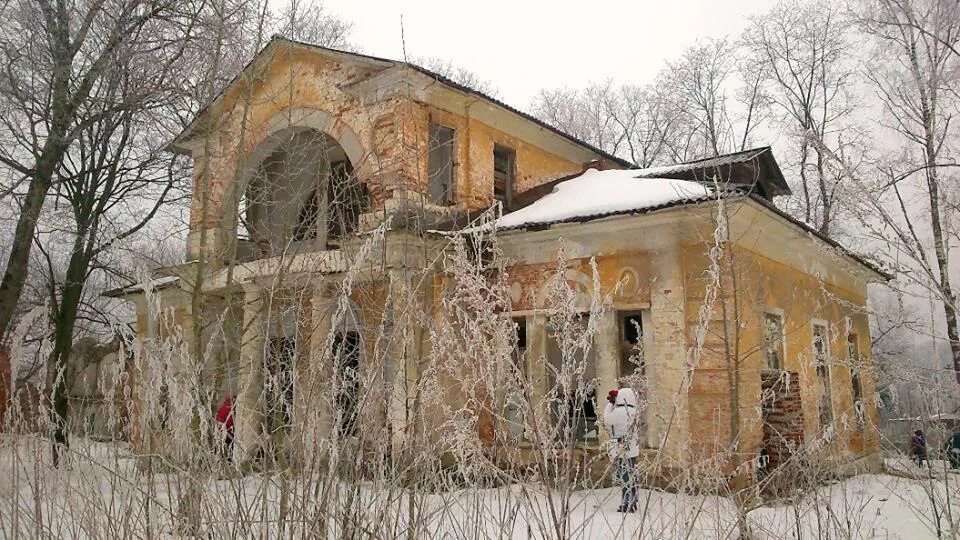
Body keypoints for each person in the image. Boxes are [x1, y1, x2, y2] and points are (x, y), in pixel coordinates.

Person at [605, 387, 640, 513]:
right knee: (632, 475)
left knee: (625, 476)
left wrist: (610, 404)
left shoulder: (620, 412)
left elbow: (607, 418)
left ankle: (627, 503)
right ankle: (633, 500)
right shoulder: (635, 411)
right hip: (633, 448)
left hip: (623, 448)